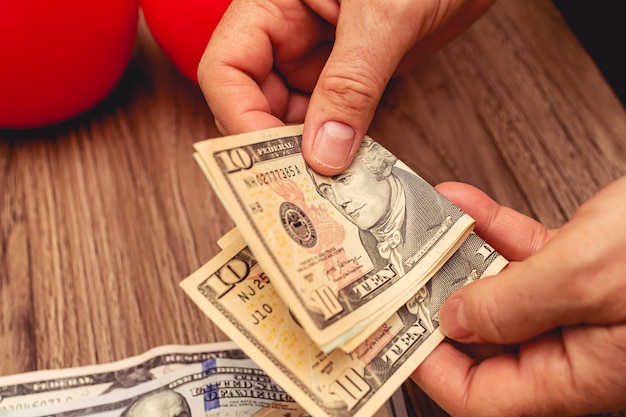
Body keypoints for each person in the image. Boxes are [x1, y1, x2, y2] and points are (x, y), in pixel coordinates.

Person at [197, 1, 626, 416]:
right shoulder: (364, 242)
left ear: (381, 164)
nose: (335, 198)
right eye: (327, 192)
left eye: (342, 179)